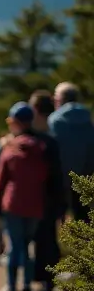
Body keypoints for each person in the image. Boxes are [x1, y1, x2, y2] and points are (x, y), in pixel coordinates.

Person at [0, 102, 56, 291]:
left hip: (13, 204)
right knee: (28, 246)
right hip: (35, 204)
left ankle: (11, 287)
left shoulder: (10, 148)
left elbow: (0, 178)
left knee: (14, 247)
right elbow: (47, 177)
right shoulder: (42, 147)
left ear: (17, 123)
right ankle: (27, 286)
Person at [29, 90, 66, 291]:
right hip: (51, 199)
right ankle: (48, 283)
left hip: (34, 199)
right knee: (49, 241)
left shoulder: (33, 141)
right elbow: (58, 175)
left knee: (37, 241)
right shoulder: (51, 141)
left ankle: (35, 282)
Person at [49, 82, 94, 221]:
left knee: (58, 220)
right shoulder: (88, 119)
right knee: (83, 219)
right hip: (85, 177)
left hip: (59, 179)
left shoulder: (54, 120)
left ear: (59, 100)